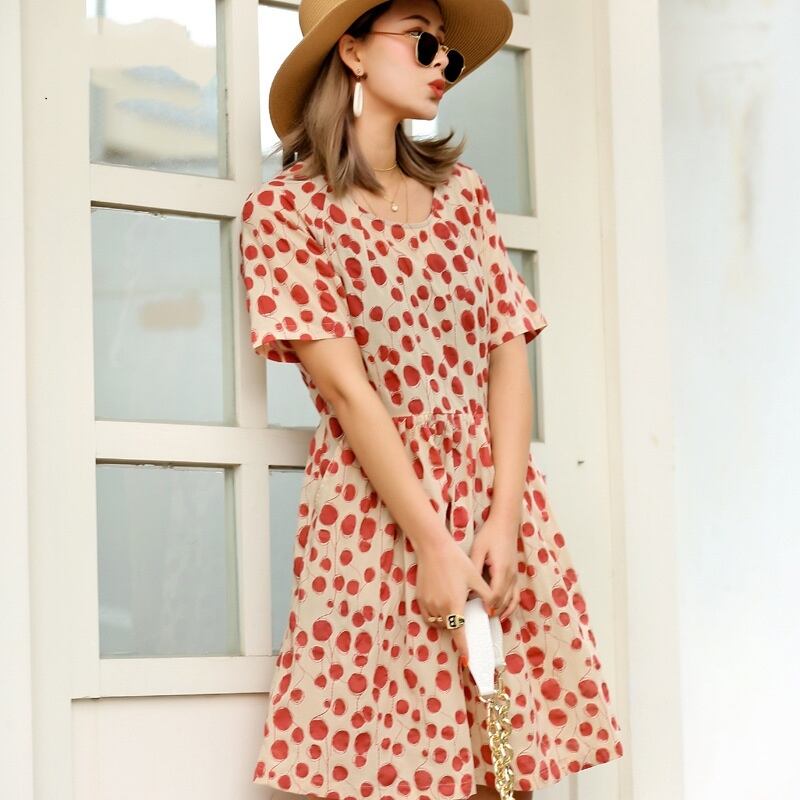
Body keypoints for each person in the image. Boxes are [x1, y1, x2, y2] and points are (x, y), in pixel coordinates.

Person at [239, 1, 625, 798]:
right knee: (388, 770)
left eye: (447, 52)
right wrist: (432, 543)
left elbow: (506, 354)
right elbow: (347, 391)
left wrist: (504, 517)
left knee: (503, 764)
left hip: (489, 501)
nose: (442, 64)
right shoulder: (285, 211)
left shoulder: (464, 196)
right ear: (352, 52)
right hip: (374, 514)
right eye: (423, 42)